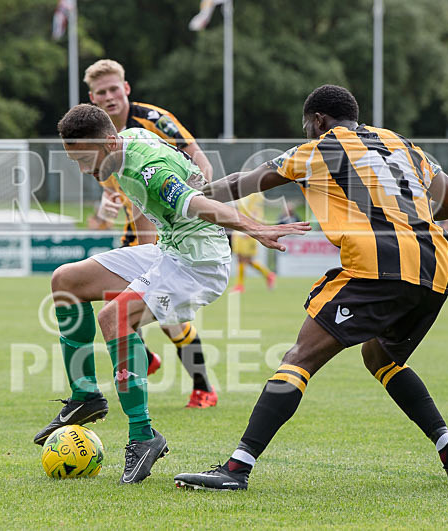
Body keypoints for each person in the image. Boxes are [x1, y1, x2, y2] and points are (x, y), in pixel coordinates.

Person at [174, 84, 448, 491]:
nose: (306, 133)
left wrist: (185, 196)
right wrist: (406, 214)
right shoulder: (400, 143)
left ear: (318, 120)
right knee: (380, 356)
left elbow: (242, 183)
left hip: (379, 264)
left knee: (299, 357)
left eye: (307, 126)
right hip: (437, 265)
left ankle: (236, 469)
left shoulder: (319, 146)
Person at [33, 104, 311, 484]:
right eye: (75, 160)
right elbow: (188, 165)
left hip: (199, 264)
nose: (84, 169)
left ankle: (143, 436)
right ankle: (85, 395)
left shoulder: (148, 171)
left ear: (109, 140)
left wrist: (254, 227)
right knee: (66, 280)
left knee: (113, 317)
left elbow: (198, 202)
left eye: (85, 158)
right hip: (171, 249)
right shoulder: (128, 139)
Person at [84, 59, 218, 408]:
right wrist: (103, 211)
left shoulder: (154, 121)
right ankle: (142, 356)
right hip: (135, 227)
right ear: (93, 98)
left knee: (165, 313)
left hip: (170, 226)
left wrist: (192, 208)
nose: (110, 96)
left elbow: (200, 160)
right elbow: (107, 200)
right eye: (102, 92)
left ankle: (203, 385)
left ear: (126, 88)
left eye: (115, 89)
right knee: (117, 301)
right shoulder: (96, 135)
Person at [230, 192, 276, 293]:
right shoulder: (243, 191)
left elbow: (256, 212)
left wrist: (251, 229)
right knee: (244, 259)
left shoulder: (255, 193)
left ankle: (240, 285)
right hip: (241, 228)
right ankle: (268, 275)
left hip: (247, 229)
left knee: (243, 258)